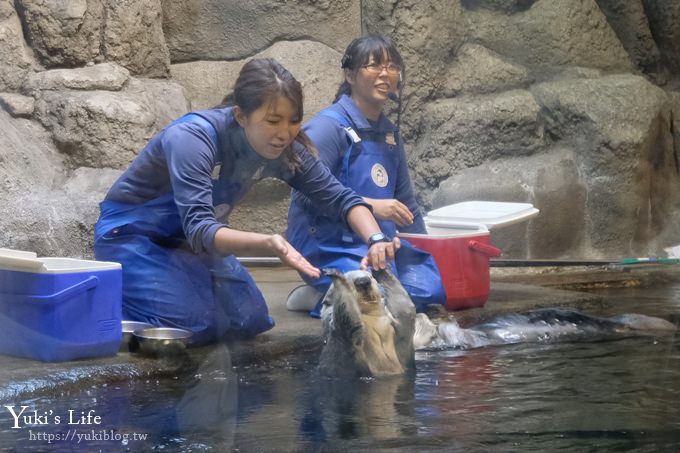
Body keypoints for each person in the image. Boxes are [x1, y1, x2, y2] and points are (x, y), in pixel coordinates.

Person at [94, 58, 400, 345]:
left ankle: (165, 291)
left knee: (249, 320)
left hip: (189, 247)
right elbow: (201, 228)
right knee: (196, 324)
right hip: (133, 236)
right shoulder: (193, 138)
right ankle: (108, 305)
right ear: (241, 115)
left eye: (293, 121)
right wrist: (267, 243)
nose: (284, 133)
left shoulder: (283, 149)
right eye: (273, 120)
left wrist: (375, 239)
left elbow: (339, 198)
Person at [286, 35, 446, 316]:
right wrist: (373, 205)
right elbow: (305, 197)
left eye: (392, 66)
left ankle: (333, 292)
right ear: (350, 74)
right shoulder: (328, 127)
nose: (385, 73)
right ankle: (320, 293)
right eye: (373, 66)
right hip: (328, 244)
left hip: (379, 247)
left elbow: (406, 203)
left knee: (431, 290)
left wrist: (426, 246)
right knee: (374, 299)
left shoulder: (389, 134)